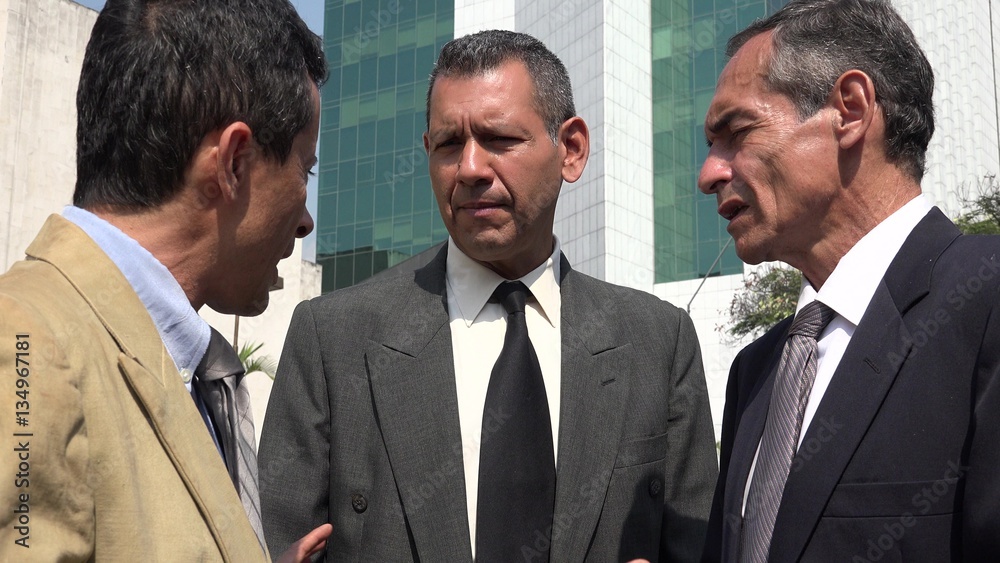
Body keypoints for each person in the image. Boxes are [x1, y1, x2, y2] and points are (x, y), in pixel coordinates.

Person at [259, 29, 717, 562]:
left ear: (570, 150)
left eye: (499, 139)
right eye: (449, 144)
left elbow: (697, 543)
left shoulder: (657, 342)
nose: (471, 168)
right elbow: (273, 543)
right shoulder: (334, 339)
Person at [0, 0, 333, 560]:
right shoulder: (25, 348)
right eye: (306, 168)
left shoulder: (176, 364)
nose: (306, 220)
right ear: (233, 163)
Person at [698, 0, 1000, 561]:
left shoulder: (987, 301)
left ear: (850, 110)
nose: (709, 173)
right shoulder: (755, 372)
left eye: (736, 132)